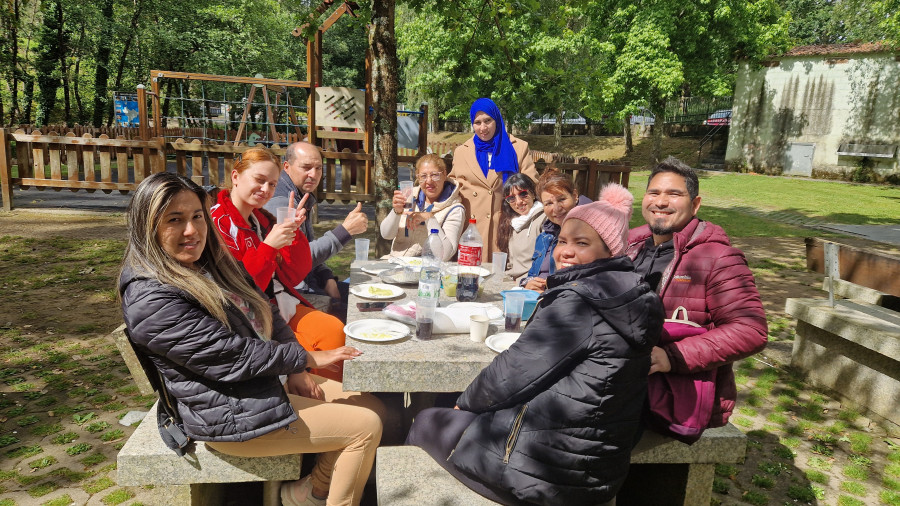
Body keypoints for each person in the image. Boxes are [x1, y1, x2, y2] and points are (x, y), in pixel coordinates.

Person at [119, 172, 383, 506]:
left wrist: (297, 369)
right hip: (227, 413)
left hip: (259, 386)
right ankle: (319, 495)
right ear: (148, 225)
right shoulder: (151, 296)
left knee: (377, 406)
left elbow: (267, 309)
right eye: (175, 220)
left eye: (197, 217)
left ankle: (306, 492)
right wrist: (306, 359)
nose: (191, 230)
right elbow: (230, 356)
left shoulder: (210, 262)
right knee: (365, 427)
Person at [406, 183, 664, 506]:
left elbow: (513, 371)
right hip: (595, 468)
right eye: (563, 241)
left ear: (610, 251)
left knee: (425, 420)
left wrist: (465, 401)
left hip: (547, 476)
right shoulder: (631, 296)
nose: (565, 251)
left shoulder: (580, 301)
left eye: (581, 243)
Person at [626, 156, 767, 429]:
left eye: (674, 194)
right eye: (653, 192)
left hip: (672, 395)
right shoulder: (631, 246)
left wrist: (672, 357)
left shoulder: (718, 258)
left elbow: (751, 330)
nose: (661, 202)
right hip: (620, 378)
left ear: (695, 204)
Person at [210, 146, 346, 381]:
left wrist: (295, 234)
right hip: (249, 319)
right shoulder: (217, 223)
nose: (266, 190)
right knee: (323, 340)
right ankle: (317, 398)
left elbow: (293, 274)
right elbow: (241, 291)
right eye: (259, 180)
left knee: (334, 330)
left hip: (279, 305)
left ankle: (332, 397)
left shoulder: (261, 219)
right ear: (235, 177)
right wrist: (269, 247)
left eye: (272, 184)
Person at [265, 141, 369, 314]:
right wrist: (345, 231)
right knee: (361, 314)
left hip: (311, 283)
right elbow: (299, 260)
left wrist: (327, 277)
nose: (313, 175)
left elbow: (307, 245)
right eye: (306, 167)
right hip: (289, 295)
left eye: (318, 168)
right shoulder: (282, 204)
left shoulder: (299, 195)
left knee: (372, 298)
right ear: (287, 167)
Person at [449, 98, 539, 258]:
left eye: (488, 121)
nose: (483, 128)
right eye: (477, 122)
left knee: (501, 278)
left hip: (506, 228)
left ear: (496, 119)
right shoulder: (462, 152)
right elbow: (450, 189)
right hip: (471, 232)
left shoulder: (518, 147)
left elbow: (532, 186)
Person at [379, 154, 466, 260]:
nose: (429, 181)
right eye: (423, 176)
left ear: (444, 174)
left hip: (428, 269)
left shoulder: (455, 209)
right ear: (418, 177)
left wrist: (430, 218)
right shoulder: (409, 196)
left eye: (434, 175)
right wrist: (396, 212)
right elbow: (386, 235)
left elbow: (445, 254)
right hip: (395, 262)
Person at [520, 169, 591, 292]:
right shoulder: (545, 236)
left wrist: (549, 289)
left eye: (561, 199)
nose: (556, 208)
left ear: (575, 196)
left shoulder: (590, 232)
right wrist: (527, 283)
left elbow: (589, 280)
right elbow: (532, 273)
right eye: (548, 203)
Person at [496, 173, 544, 282]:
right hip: (511, 280)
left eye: (523, 194)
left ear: (533, 193)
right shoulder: (511, 222)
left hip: (531, 282)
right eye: (511, 198)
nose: (518, 202)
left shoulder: (543, 219)